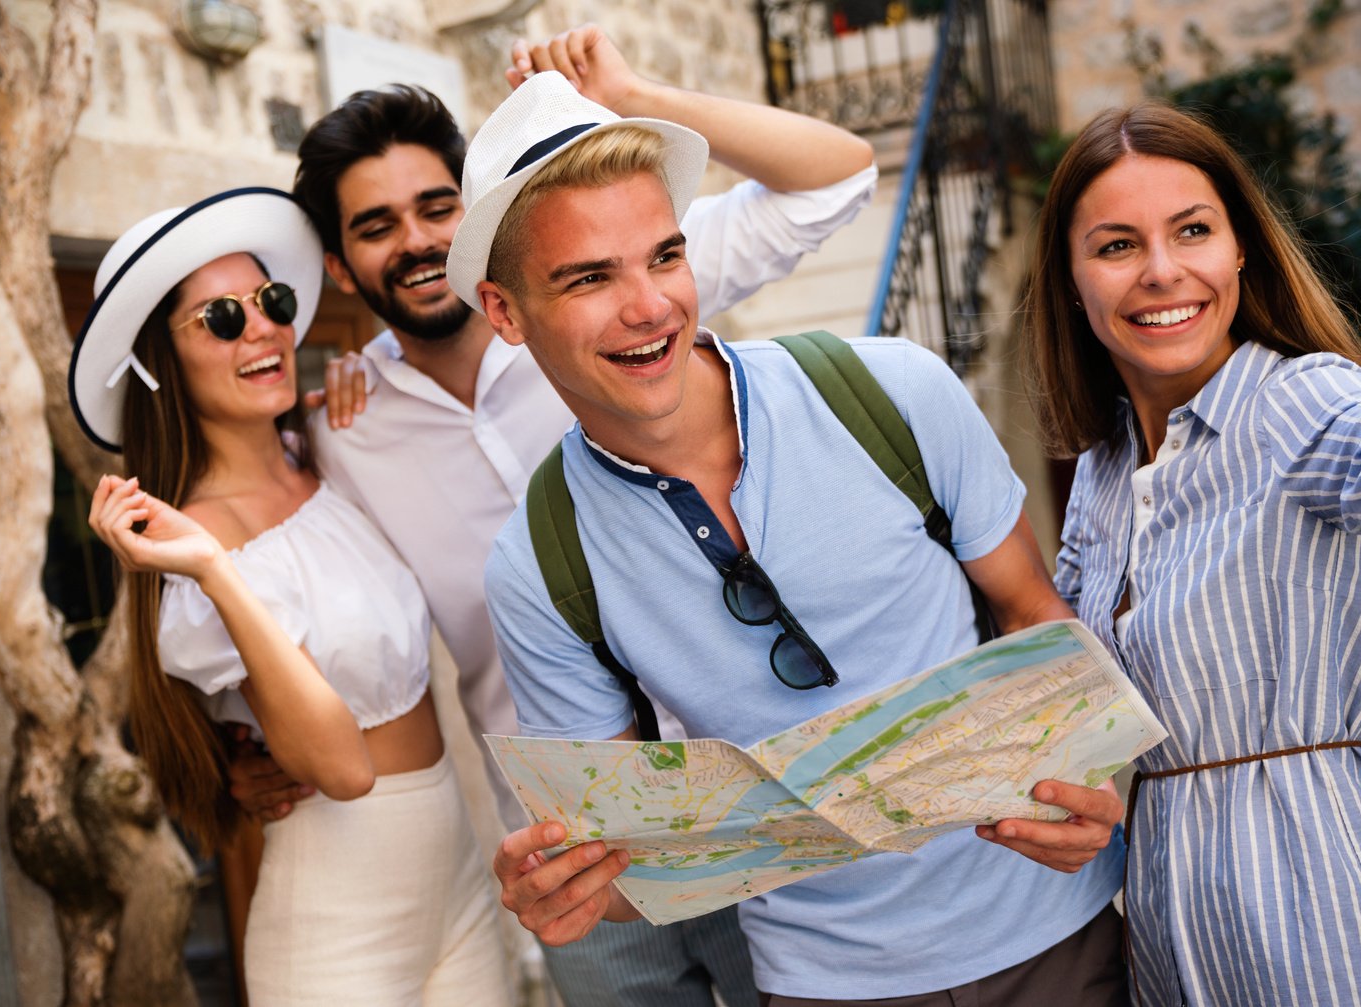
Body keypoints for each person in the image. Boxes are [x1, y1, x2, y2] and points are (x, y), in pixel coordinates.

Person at [230, 24, 881, 1007]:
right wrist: (241, 757)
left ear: (478, 216)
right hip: (578, 861)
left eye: (436, 206)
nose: (414, 240)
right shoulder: (339, 434)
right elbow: (288, 581)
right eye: (376, 226)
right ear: (340, 258)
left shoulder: (611, 296)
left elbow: (833, 178)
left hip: (752, 814)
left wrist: (634, 95)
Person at [457, 70, 1132, 1006]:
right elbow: (622, 864)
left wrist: (1088, 779)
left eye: (663, 256)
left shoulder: (896, 391)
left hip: (1051, 933)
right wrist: (565, 891)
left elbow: (1031, 614)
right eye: (588, 278)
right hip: (819, 983)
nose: (648, 305)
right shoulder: (537, 563)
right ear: (504, 312)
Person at [1021, 99, 1361, 1005]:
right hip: (1166, 931)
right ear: (1072, 280)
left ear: (1239, 251)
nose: (1161, 271)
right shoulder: (1104, 474)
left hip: (1335, 917)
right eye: (1116, 245)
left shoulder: (1294, 400)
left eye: (1191, 231)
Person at [69, 189, 515, 1006]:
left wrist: (362, 374)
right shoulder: (193, 550)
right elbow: (341, 769)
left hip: (457, 872)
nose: (264, 327)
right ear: (160, 361)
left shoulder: (326, 455)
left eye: (268, 301)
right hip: (334, 921)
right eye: (221, 318)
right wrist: (214, 568)